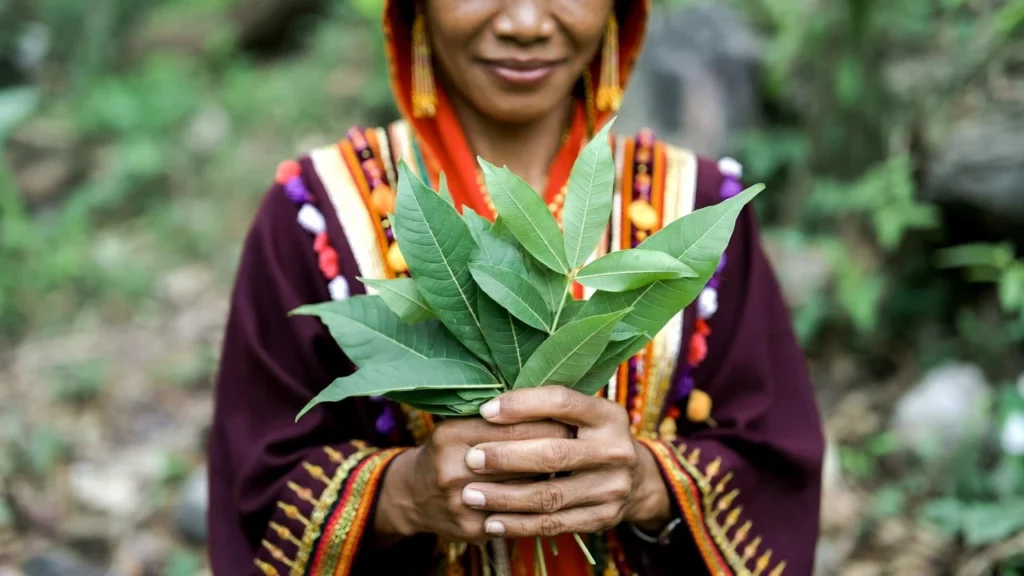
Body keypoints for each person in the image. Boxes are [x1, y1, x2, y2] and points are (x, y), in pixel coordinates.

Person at [207, 1, 825, 574]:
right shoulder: (314, 211)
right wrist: (402, 494)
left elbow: (775, 461)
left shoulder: (694, 205)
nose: (526, 22)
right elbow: (256, 481)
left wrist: (648, 482)